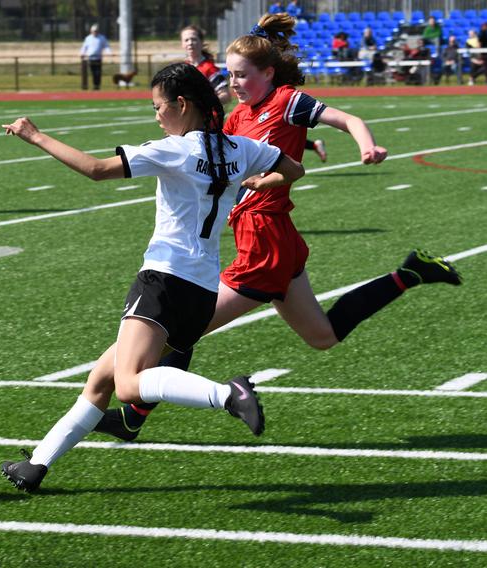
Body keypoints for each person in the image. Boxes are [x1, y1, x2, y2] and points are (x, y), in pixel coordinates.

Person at [93, 14, 461, 443]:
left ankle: (132, 417)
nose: (234, 83)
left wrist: (367, 144)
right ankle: (410, 272)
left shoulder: (288, 100)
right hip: (273, 237)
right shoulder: (236, 119)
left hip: (264, 241)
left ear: (267, 73)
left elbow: (348, 120)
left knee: (183, 327)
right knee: (323, 336)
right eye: (230, 75)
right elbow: (219, 147)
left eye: (242, 75)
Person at [0, 62, 306, 492]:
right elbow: (294, 170)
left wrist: (36, 135)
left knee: (127, 386)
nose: (156, 115)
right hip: (201, 291)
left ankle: (228, 395)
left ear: (182, 104)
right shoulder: (241, 147)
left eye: (158, 106)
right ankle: (38, 464)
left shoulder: (175, 149)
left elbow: (96, 169)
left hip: (163, 280)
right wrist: (258, 182)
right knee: (102, 379)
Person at [180, 25, 231, 105]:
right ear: (182, 44)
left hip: (206, 116)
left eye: (194, 39)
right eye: (186, 40)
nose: (190, 43)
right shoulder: (181, 68)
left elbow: (226, 96)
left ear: (201, 42)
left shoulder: (210, 69)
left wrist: (204, 103)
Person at [80, 24, 110, 90]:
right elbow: (84, 47)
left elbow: (106, 46)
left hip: (98, 58)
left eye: (96, 31)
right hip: (91, 58)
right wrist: (82, 53)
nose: (95, 32)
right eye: (93, 31)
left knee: (98, 72)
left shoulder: (102, 38)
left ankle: (97, 85)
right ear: (91, 31)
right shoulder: (88, 38)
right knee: (93, 72)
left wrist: (109, 53)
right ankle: (94, 85)